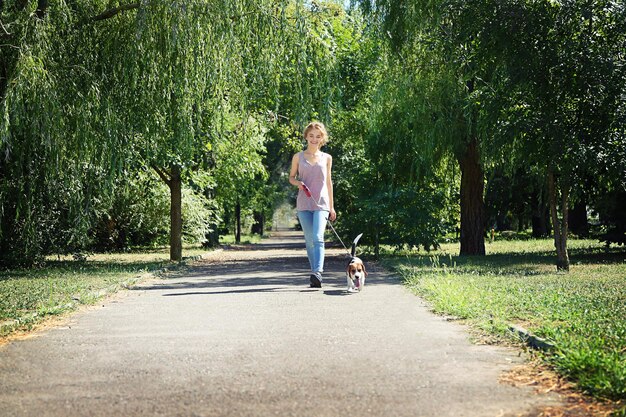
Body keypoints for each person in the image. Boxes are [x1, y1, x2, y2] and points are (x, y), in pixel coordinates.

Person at [289, 121, 336, 288]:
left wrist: (331, 206)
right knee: (309, 240)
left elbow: (329, 183)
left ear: (322, 138)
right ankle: (314, 273)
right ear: (306, 137)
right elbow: (291, 177)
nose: (314, 139)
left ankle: (318, 272)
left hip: (322, 203)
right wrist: (299, 184)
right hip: (304, 202)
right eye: (311, 136)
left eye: (318, 136)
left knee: (318, 236)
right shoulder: (298, 157)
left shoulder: (327, 158)